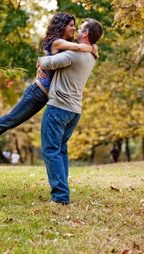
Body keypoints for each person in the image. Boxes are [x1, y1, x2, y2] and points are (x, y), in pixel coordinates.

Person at [0, 13, 97, 163]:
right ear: (62, 26)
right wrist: (91, 47)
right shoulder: (57, 42)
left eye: (75, 25)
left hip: (44, 97)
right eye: (71, 25)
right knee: (9, 121)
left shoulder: (68, 45)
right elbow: (80, 47)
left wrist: (92, 47)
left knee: (9, 121)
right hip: (36, 93)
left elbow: (78, 50)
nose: (74, 28)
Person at [39, 18, 103, 205]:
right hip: (74, 111)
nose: (76, 30)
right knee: (61, 150)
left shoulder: (74, 55)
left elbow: (47, 63)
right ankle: (62, 192)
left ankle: (60, 196)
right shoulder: (91, 55)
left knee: (51, 151)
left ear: (85, 34)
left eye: (80, 28)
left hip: (58, 108)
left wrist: (40, 59)